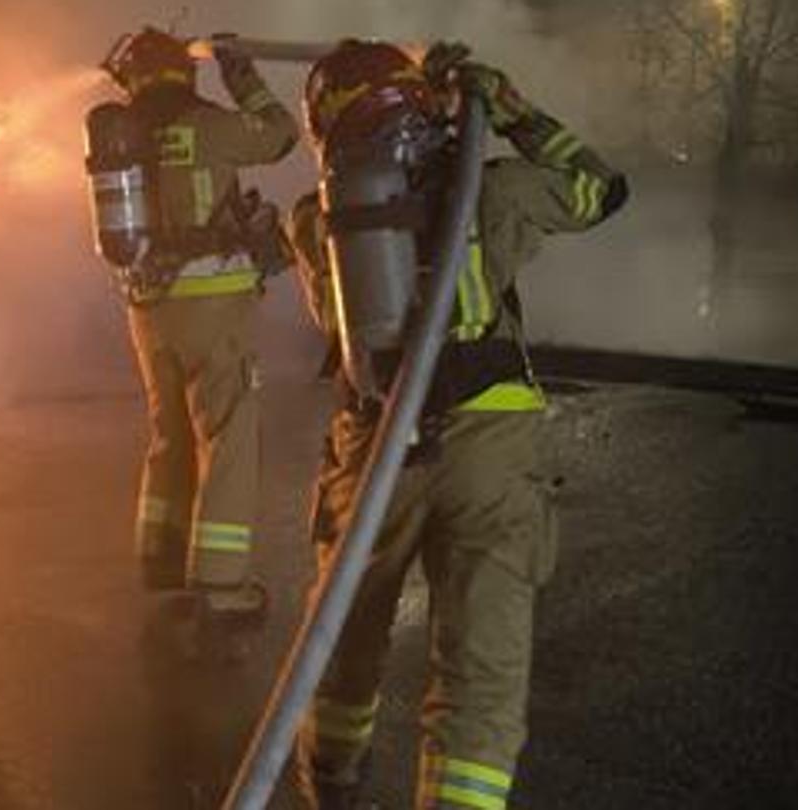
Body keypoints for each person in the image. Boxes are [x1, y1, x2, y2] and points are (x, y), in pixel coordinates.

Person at [285, 41, 628, 809]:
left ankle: (330, 783)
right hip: (491, 448)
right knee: (480, 669)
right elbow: (601, 189)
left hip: (375, 451)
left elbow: (338, 325)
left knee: (345, 637)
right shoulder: (492, 192)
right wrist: (506, 111)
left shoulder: (316, 221)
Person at [100, 28, 299, 639]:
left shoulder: (125, 137)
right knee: (229, 433)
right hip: (212, 300)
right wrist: (242, 74)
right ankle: (221, 585)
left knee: (171, 431)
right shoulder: (209, 123)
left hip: (147, 306)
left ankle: (161, 557)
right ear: (182, 73)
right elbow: (282, 134)